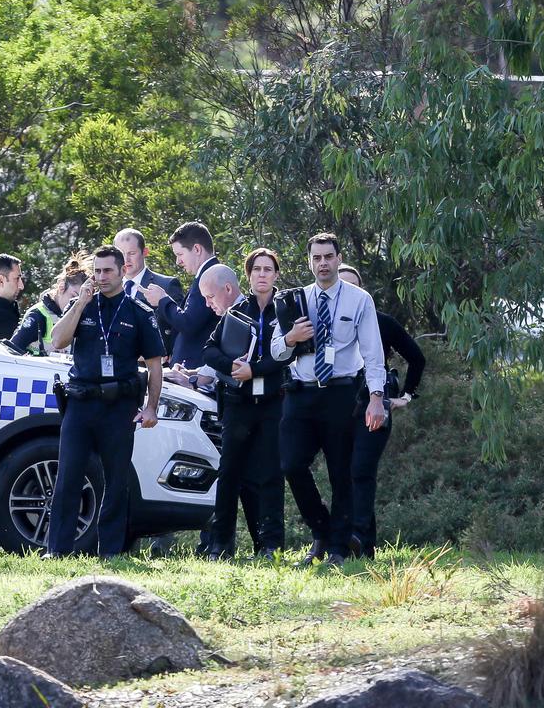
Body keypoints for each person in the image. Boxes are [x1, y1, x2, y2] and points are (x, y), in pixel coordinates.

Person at [270, 233, 387, 566]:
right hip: (301, 394)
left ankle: (337, 548)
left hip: (341, 392)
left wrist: (376, 397)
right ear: (309, 261)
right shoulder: (294, 300)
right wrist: (292, 338)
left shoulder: (358, 299)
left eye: (328, 257)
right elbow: (277, 351)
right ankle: (321, 530)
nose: (322, 264)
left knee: (341, 473)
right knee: (291, 463)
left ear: (338, 258)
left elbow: (373, 353)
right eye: (316, 258)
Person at [46, 245, 165, 558]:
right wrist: (80, 303)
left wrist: (151, 407)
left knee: (116, 481)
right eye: (96, 271)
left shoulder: (139, 313)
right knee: (68, 476)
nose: (101, 277)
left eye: (107, 270)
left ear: (123, 270)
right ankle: (57, 550)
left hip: (119, 406)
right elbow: (57, 341)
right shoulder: (81, 305)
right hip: (81, 403)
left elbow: (155, 365)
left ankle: (110, 551)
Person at [200, 249, 290, 560]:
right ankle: (220, 544)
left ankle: (271, 546)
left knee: (270, 475)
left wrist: (257, 370)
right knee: (229, 473)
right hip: (238, 402)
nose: (262, 274)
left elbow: (293, 355)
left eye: (268, 269)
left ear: (276, 274)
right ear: (248, 276)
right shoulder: (237, 311)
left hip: (272, 403)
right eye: (256, 270)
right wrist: (231, 365)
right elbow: (209, 351)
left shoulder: (286, 309)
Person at [337, 264, 426, 559]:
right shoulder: (328, 322)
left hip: (374, 405)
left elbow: (417, 358)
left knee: (361, 470)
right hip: (337, 408)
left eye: (353, 286)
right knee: (346, 474)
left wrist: (406, 396)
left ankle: (358, 536)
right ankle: (363, 546)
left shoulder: (381, 322)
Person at [141, 221, 221, 369]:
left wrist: (162, 299)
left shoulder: (211, 276)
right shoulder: (206, 274)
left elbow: (189, 322)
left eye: (180, 254)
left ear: (197, 249)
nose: (178, 261)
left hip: (195, 372)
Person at [114, 228, 183, 355]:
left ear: (145, 252)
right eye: (121, 254)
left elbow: (179, 330)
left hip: (153, 366)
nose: (126, 259)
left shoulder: (167, 285)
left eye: (131, 253)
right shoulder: (108, 287)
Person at [10, 253, 89, 355]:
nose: (76, 304)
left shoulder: (80, 317)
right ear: (61, 288)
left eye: (81, 300)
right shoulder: (38, 316)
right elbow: (12, 349)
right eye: (73, 297)